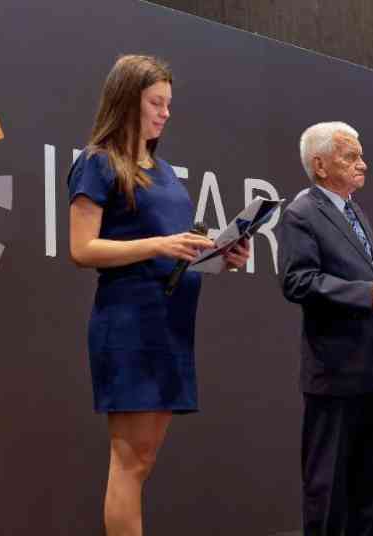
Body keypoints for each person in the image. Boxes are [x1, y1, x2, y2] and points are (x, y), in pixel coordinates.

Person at [67, 54, 249, 536]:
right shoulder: (97, 163)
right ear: (127, 101)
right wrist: (159, 245)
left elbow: (177, 251)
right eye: (156, 103)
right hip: (130, 323)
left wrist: (221, 256)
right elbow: (82, 249)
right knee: (129, 460)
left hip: (171, 324)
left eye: (168, 104)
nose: (166, 113)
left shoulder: (164, 171)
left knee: (143, 460)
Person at [277, 121, 373, 536]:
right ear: (320, 165)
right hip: (335, 372)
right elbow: (297, 282)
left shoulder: (354, 210)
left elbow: (366, 275)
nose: (363, 164)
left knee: (368, 489)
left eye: (361, 155)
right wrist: (367, 293)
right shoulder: (301, 214)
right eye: (351, 157)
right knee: (328, 490)